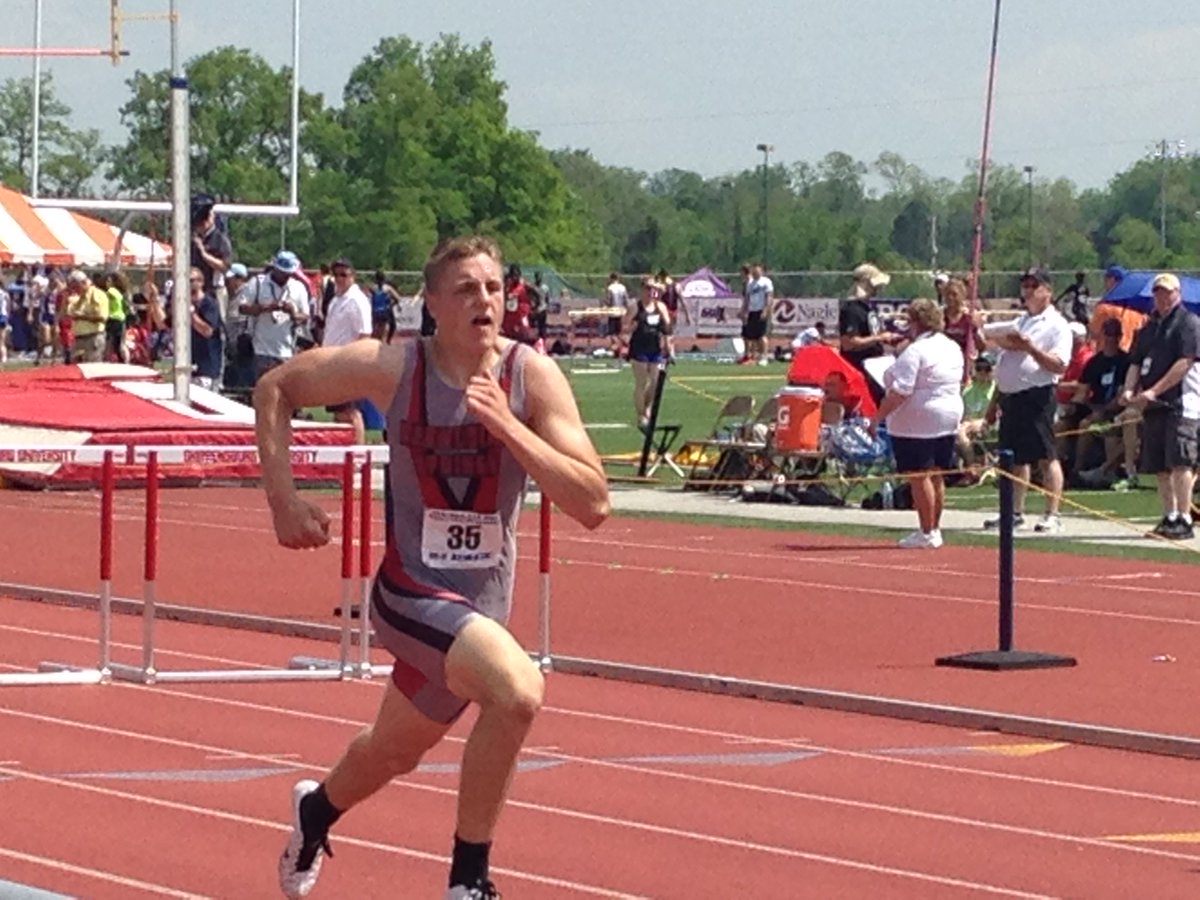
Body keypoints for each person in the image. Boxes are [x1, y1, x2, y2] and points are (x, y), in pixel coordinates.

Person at [258, 235, 610, 900]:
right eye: (467, 290)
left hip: (481, 607)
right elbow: (278, 387)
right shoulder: (395, 368)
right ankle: (469, 882)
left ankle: (315, 811)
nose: (486, 301)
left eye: (495, 288)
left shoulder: (529, 377)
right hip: (409, 593)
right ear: (435, 308)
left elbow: (592, 503)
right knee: (517, 692)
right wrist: (283, 498)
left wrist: (510, 428)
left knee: (394, 750)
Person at [981, 268, 1073, 533]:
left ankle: (1052, 513)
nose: (1028, 291)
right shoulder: (1020, 321)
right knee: (1013, 458)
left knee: (1046, 455)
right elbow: (994, 347)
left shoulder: (1057, 325)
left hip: (1037, 395)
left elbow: (1059, 365)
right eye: (1025, 285)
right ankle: (1013, 511)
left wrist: (1030, 348)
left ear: (1047, 290)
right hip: (1011, 396)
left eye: (1035, 285)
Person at [870, 298, 964, 548]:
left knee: (918, 474)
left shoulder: (916, 351)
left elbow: (901, 391)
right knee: (936, 474)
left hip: (919, 418)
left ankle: (926, 531)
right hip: (948, 413)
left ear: (916, 323)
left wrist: (877, 417)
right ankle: (934, 528)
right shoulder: (951, 346)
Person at [1121, 272, 1200, 540]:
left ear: (1178, 294)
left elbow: (1184, 363)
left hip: (1180, 401)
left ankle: (1186, 517)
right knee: (1159, 464)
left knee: (1180, 460)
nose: (1162, 297)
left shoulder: (1188, 323)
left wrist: (1154, 390)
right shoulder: (1148, 328)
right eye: (1158, 292)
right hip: (1154, 405)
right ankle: (1170, 515)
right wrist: (1130, 390)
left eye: (1167, 292)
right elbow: (1135, 362)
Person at [321, 257, 374, 444]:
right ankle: (341, 452)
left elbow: (364, 335)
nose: (339, 279)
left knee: (350, 411)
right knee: (337, 412)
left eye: (344, 274)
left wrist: (355, 364)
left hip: (347, 363)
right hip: (331, 362)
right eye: (335, 275)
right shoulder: (336, 299)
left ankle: (357, 455)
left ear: (353, 276)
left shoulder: (357, 300)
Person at [840, 263, 903, 403]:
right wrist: (879, 337)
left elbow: (870, 334)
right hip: (860, 370)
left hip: (874, 369)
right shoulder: (851, 310)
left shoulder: (867, 308)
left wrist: (887, 338)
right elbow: (848, 343)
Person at [626, 279, 675, 431]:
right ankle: (641, 415)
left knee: (655, 382)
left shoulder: (660, 307)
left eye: (653, 288)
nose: (650, 291)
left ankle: (647, 407)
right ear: (642, 289)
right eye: (647, 288)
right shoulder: (636, 307)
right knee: (641, 382)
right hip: (639, 348)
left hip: (655, 348)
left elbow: (667, 329)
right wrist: (631, 327)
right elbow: (624, 326)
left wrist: (669, 348)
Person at [187, 267, 223, 390]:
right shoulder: (181, 303)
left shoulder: (209, 304)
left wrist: (191, 314)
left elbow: (207, 331)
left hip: (206, 368)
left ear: (201, 282)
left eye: (191, 280)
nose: (188, 284)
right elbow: (164, 324)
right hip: (187, 366)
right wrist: (154, 302)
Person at [740, 263, 774, 366]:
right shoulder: (751, 284)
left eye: (757, 271)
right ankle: (754, 356)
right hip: (752, 311)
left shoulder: (766, 282)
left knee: (761, 335)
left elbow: (769, 296)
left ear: (761, 271)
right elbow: (747, 298)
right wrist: (744, 310)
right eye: (754, 271)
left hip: (761, 310)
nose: (755, 273)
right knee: (752, 336)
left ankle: (764, 357)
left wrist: (766, 309)